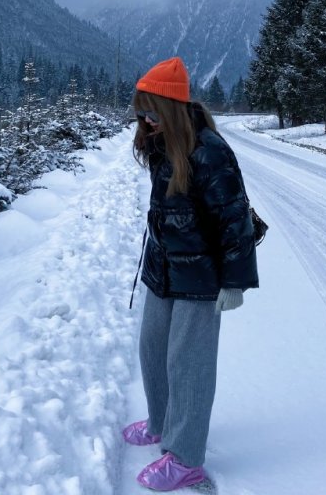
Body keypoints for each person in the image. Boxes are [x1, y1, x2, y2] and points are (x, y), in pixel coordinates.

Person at [122, 56, 259, 492]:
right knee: (152, 349)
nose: (144, 120)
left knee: (189, 365)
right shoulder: (162, 145)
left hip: (202, 278)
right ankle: (162, 423)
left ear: (173, 109)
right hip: (164, 271)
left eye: (151, 111)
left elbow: (234, 220)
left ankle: (186, 458)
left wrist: (235, 281)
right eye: (140, 112)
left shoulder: (210, 152)